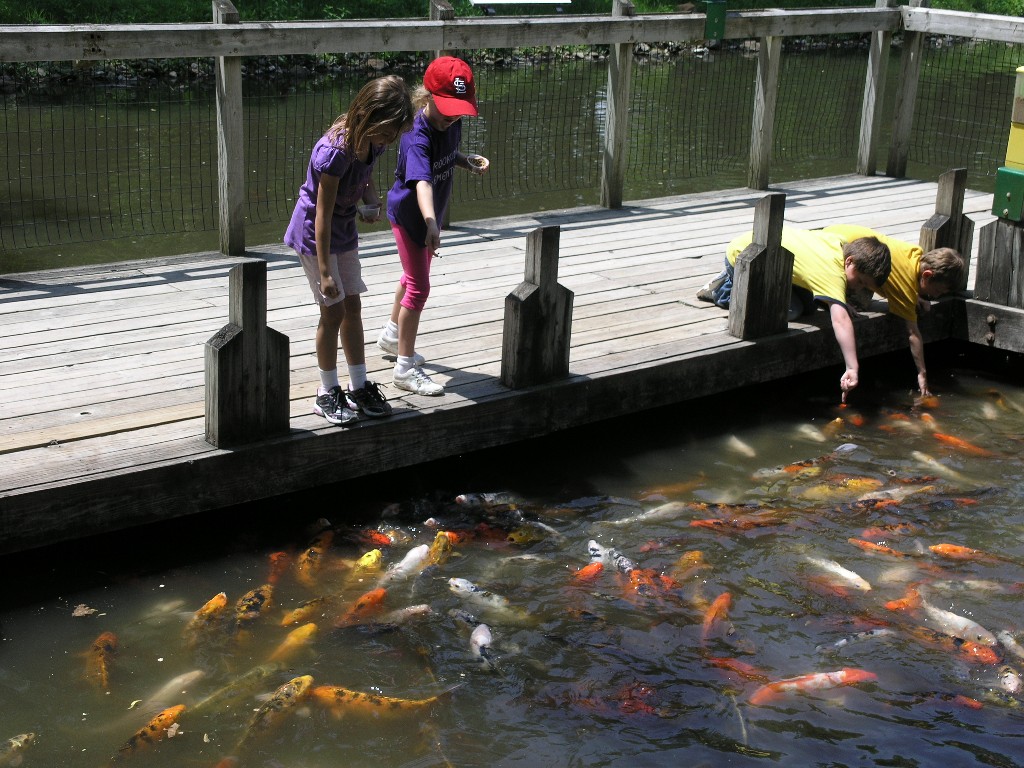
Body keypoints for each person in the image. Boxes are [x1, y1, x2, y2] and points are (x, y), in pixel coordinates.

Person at [285, 75, 415, 425]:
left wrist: (370, 200)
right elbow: (321, 213)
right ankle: (327, 391)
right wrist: (325, 272)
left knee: (352, 307)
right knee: (333, 312)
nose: (388, 141)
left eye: (393, 136)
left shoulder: (372, 142)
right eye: (386, 133)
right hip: (316, 235)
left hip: (343, 230)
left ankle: (358, 385)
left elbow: (365, 176)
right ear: (369, 116)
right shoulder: (335, 152)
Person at [376, 56, 490, 396]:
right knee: (419, 288)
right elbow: (423, 181)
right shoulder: (416, 134)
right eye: (447, 109)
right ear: (426, 97)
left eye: (459, 110)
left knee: (412, 278)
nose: (453, 116)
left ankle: (392, 336)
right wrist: (431, 223)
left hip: (429, 219)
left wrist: (464, 161)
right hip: (411, 218)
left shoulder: (450, 123)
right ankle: (404, 368)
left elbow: (446, 155)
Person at [698, 227, 891, 401]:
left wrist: (839, 300)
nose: (858, 288)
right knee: (792, 310)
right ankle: (725, 290)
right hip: (746, 258)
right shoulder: (832, 272)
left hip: (775, 259)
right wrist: (852, 368)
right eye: (861, 282)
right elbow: (840, 321)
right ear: (849, 261)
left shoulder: (840, 247)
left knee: (810, 307)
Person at [822, 224, 965, 397]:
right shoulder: (905, 289)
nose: (936, 296)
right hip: (834, 252)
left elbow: (899, 276)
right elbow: (913, 334)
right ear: (926, 275)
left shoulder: (914, 253)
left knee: (865, 290)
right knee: (858, 302)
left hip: (838, 232)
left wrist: (915, 297)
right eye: (938, 290)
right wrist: (922, 372)